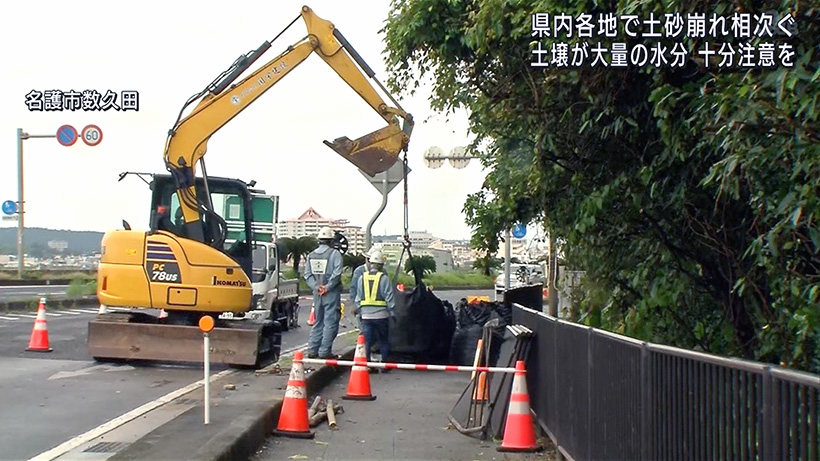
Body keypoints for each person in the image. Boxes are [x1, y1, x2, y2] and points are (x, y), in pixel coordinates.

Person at [303, 226, 344, 359]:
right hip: (330, 294)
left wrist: (316, 287)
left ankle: (312, 350)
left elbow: (307, 275)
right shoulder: (335, 254)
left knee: (318, 321)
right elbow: (337, 273)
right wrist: (327, 287)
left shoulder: (311, 255)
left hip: (317, 294)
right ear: (331, 240)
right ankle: (324, 352)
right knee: (330, 322)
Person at [354, 250, 396, 365]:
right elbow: (389, 297)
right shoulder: (384, 278)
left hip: (366, 316)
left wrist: (358, 310)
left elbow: (358, 297)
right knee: (383, 340)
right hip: (381, 316)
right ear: (381, 265)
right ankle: (384, 363)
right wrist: (392, 312)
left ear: (370, 263)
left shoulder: (362, 278)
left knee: (366, 341)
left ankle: (366, 364)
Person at [349, 246, 388, 327]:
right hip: (363, 311)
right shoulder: (359, 272)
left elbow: (387, 292)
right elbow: (354, 290)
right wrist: (354, 306)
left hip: (381, 312)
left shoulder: (383, 273)